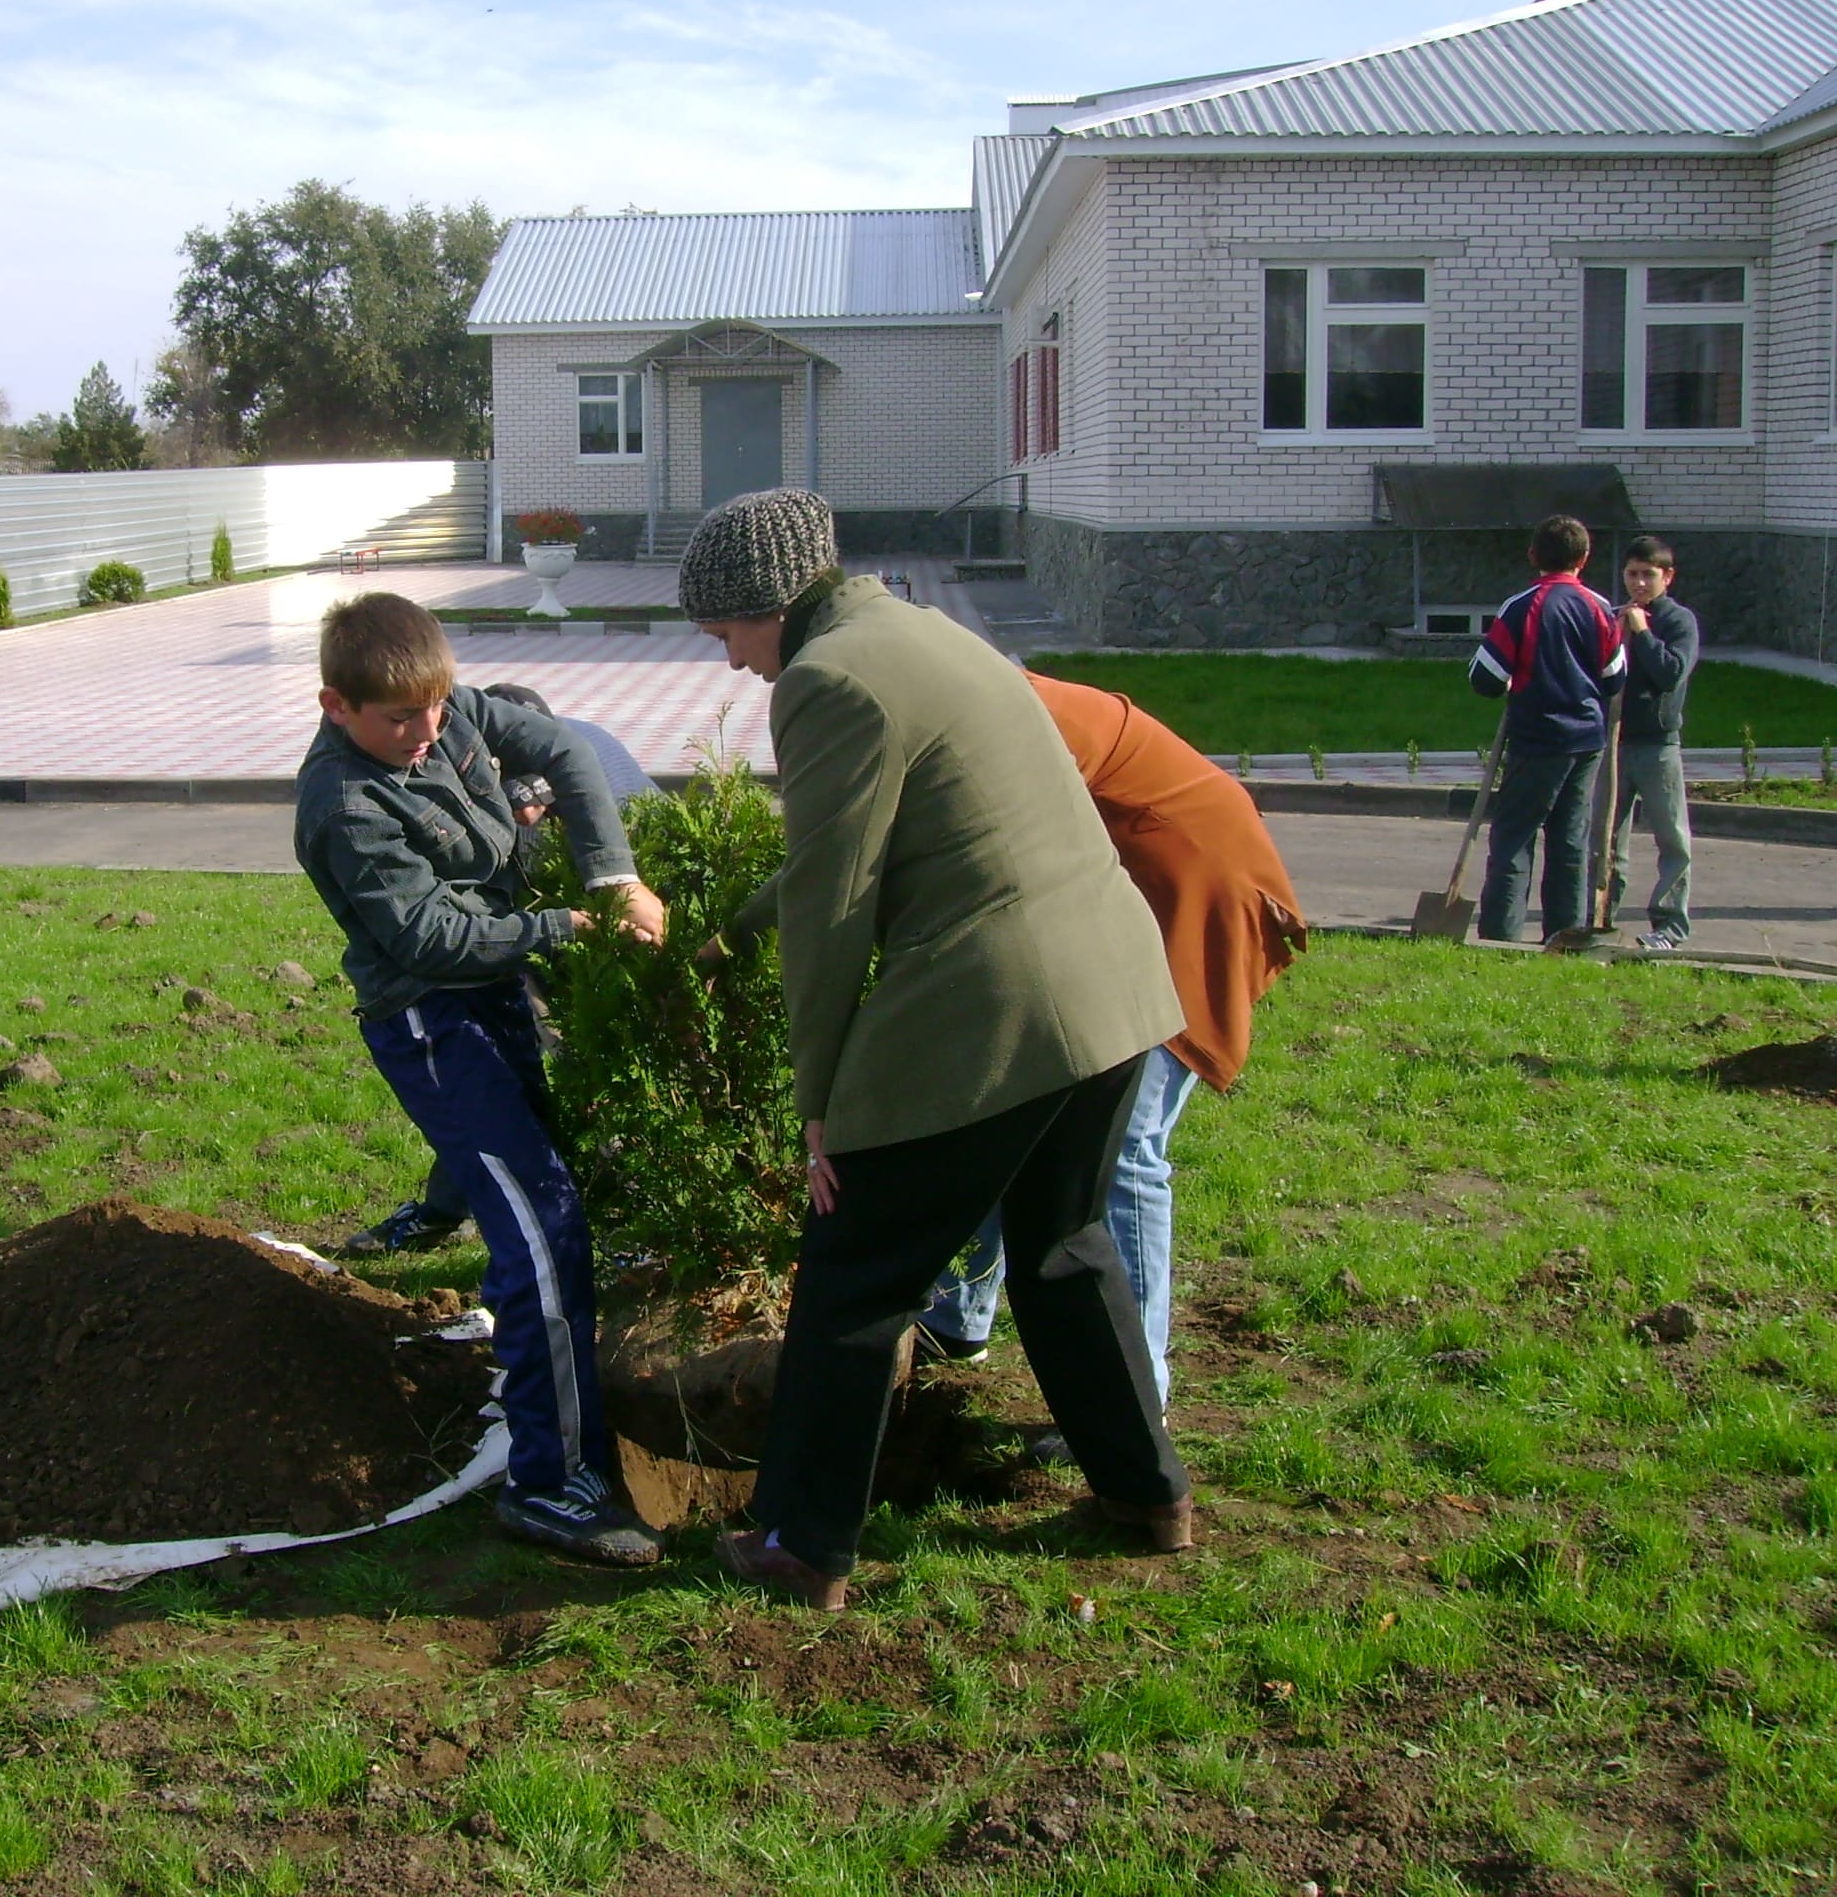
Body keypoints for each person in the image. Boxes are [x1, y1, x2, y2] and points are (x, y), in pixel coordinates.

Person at [682, 491, 1193, 1612]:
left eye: (723, 636)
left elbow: (835, 908)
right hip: (1110, 992)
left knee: (855, 1272)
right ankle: (1146, 1494)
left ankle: (800, 1547)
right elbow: (838, 850)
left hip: (1002, 1002)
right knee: (1061, 1245)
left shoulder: (825, 681)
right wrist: (729, 935)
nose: (729, 665)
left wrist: (819, 1105)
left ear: (765, 607)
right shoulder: (919, 633)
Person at [293, 594, 669, 1565]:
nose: (426, 734)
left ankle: (574, 1435)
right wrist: (567, 928)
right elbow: (428, 936)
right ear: (337, 706)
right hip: (429, 1021)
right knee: (540, 1234)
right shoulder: (341, 804)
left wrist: (608, 876)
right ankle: (547, 1484)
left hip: (493, 992)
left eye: (437, 709)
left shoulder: (445, 710)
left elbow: (567, 750)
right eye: (398, 722)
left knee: (553, 1207)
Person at [918, 674, 1307, 1410]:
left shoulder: (1001, 714)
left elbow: (994, 853)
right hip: (1121, 895)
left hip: (1186, 892)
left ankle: (1134, 1394)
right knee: (1017, 1099)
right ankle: (958, 1315)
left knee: (1123, 1143)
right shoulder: (952, 712)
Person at [338, 683, 661, 1258]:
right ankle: (443, 1212)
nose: (527, 816)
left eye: (535, 801)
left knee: (598, 1078)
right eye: (514, 804)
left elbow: (639, 877)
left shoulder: (611, 791)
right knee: (497, 1096)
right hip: (532, 931)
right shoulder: (468, 766)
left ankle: (623, 1219)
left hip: (623, 929)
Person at [1470, 514, 1626, 944]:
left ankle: (1500, 937)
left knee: (1514, 838)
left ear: (1533, 555)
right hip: (1586, 741)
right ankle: (1565, 935)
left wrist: (1511, 677)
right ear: (1585, 558)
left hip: (1537, 739)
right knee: (1570, 840)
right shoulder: (1599, 608)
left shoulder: (1522, 606)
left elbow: (1484, 678)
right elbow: (1615, 678)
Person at [1609, 535, 1698, 950]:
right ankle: (1600, 916)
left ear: (1668, 577)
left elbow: (1670, 674)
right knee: (1606, 839)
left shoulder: (1678, 622)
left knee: (1672, 839)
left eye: (1649, 575)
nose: (1639, 583)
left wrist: (1643, 635)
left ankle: (1669, 925)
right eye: (1632, 574)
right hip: (1614, 742)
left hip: (1657, 744)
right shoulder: (1616, 616)